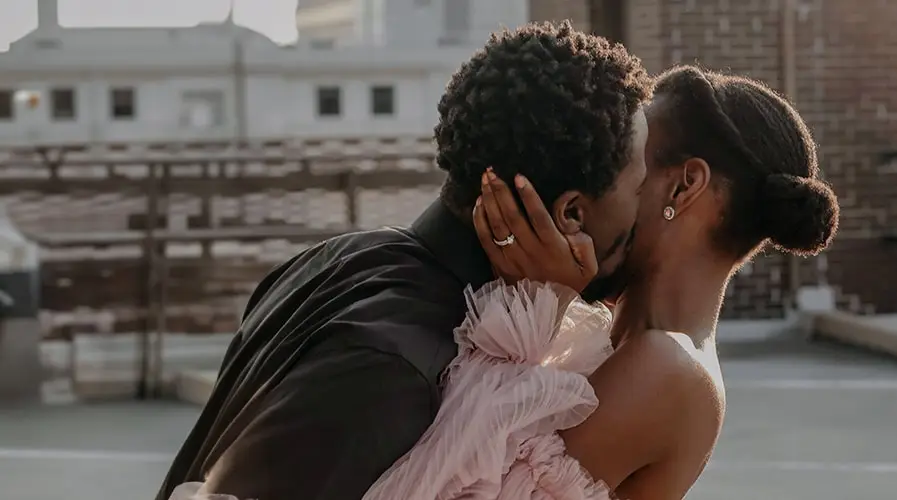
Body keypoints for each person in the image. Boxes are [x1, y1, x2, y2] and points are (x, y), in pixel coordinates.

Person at [157, 22, 652, 500]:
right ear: (570, 213)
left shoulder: (334, 259)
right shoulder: (399, 365)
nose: (650, 204)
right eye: (639, 185)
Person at [359, 66, 839, 498]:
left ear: (684, 186)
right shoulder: (614, 332)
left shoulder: (666, 368)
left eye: (625, 161)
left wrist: (535, 299)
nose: (596, 176)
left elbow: (439, 482)